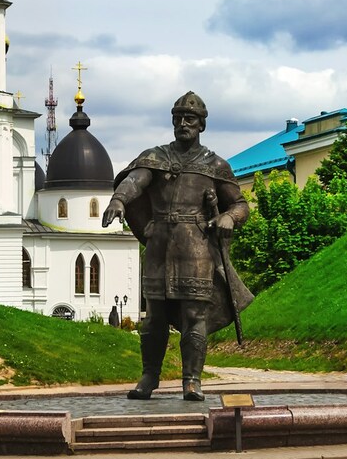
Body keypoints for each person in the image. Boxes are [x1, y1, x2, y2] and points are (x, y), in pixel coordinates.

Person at [102, 91, 252, 401]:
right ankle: (149, 377)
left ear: (201, 125)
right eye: (179, 118)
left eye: (191, 119)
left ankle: (192, 380)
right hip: (160, 245)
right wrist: (119, 199)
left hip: (196, 247)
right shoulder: (155, 158)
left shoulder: (215, 165)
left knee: (194, 314)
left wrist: (228, 217)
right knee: (154, 316)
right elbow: (135, 181)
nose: (184, 123)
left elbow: (240, 204)